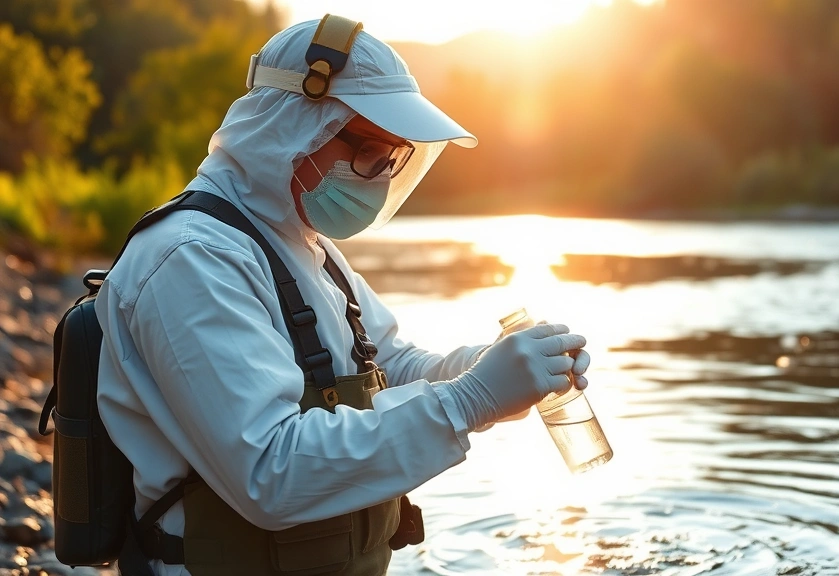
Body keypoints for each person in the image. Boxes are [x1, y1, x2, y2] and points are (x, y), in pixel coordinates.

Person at [94, 15, 591, 576]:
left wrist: (493, 367)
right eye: (372, 153)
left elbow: (389, 364)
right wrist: (470, 400)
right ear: (300, 124)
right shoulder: (190, 258)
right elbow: (271, 472)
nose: (380, 177)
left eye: (394, 159)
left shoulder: (304, 245)